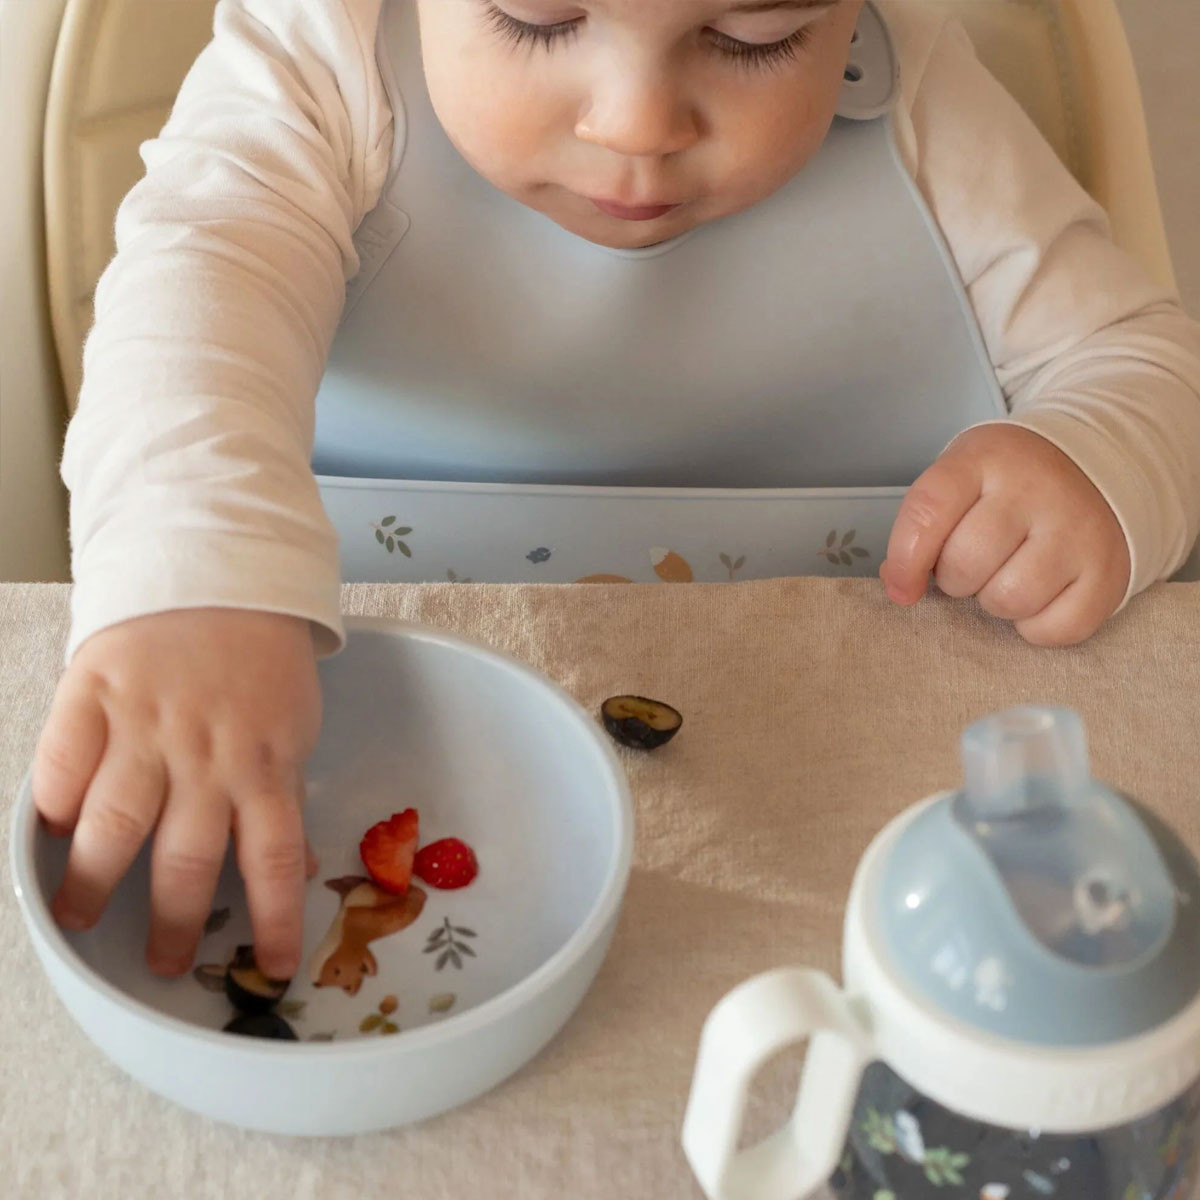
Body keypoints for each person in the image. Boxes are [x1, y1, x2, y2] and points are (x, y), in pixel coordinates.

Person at [34, 0, 1200, 985]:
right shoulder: (326, 55)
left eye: (753, 35)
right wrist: (192, 572)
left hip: (835, 812)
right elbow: (192, 284)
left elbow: (1147, 370)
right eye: (536, 15)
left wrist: (1093, 458)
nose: (638, 124)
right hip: (382, 749)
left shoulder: (925, 96)